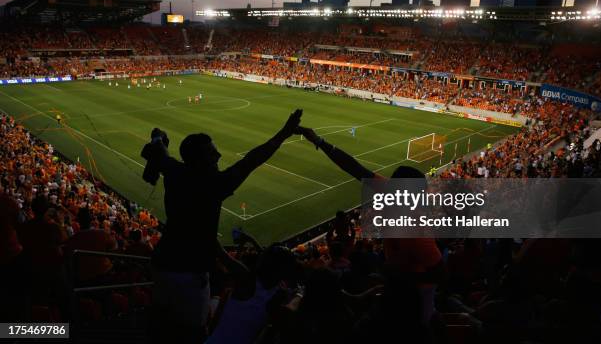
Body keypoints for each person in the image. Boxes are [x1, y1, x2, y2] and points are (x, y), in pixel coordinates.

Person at [141, 109, 303, 343]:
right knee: (192, 333)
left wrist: (158, 138)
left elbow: (161, 152)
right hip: (188, 275)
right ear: (197, 160)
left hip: (162, 264)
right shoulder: (214, 184)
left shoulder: (175, 171)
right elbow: (252, 160)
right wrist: (285, 132)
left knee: (162, 322)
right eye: (211, 153)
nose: (218, 156)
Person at [296, 126, 444, 323]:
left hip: (414, 300)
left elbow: (440, 273)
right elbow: (354, 168)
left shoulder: (415, 230)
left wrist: (397, 280)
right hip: (397, 287)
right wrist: (319, 142)